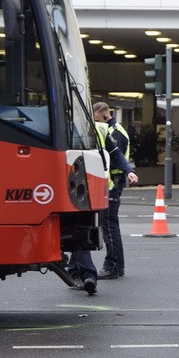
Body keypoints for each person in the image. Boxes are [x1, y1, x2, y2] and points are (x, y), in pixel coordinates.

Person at [69, 111, 136, 295]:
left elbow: (116, 154)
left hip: (93, 188)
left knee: (81, 229)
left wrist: (128, 170)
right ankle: (82, 273)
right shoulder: (67, 128)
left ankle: (79, 272)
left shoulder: (101, 130)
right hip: (75, 187)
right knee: (79, 229)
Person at [93, 102, 138, 280]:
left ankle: (112, 265)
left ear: (105, 116)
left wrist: (128, 172)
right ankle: (117, 266)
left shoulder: (114, 132)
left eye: (97, 119)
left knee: (109, 225)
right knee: (111, 224)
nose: (95, 123)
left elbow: (114, 156)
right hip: (113, 181)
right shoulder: (112, 129)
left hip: (113, 182)